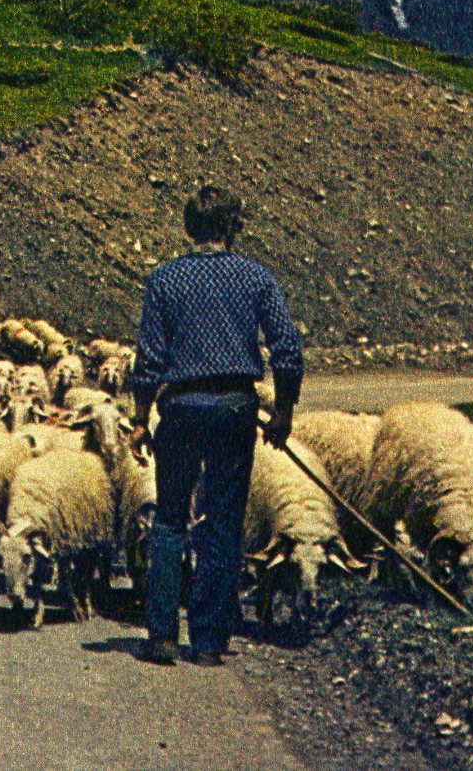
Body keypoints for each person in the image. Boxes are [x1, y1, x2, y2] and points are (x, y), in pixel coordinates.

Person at [129, 185, 303, 667]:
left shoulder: (164, 280)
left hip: (181, 406)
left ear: (190, 229)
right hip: (234, 407)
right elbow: (287, 350)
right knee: (224, 522)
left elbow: (150, 359)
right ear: (232, 228)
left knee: (169, 517)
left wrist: (141, 418)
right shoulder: (256, 278)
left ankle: (162, 634)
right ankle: (207, 641)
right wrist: (284, 412)